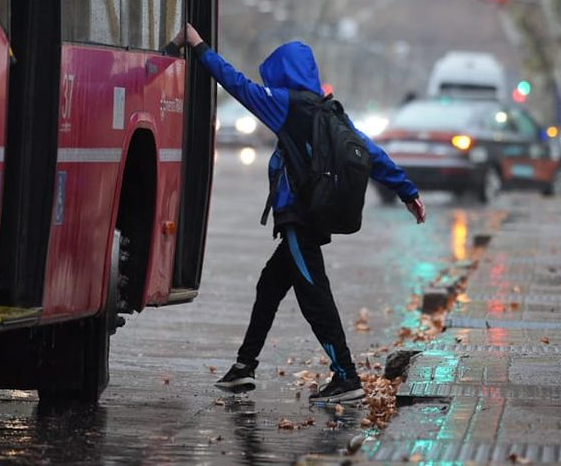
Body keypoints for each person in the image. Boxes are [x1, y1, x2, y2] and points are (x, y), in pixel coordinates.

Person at [168, 23, 427, 404]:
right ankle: (244, 367)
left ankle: (346, 377)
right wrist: (407, 190)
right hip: (312, 216)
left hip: (299, 221)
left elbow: (237, 84)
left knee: (315, 297)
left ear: (283, 71)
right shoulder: (329, 110)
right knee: (269, 286)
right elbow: (370, 151)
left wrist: (199, 46)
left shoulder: (286, 104)